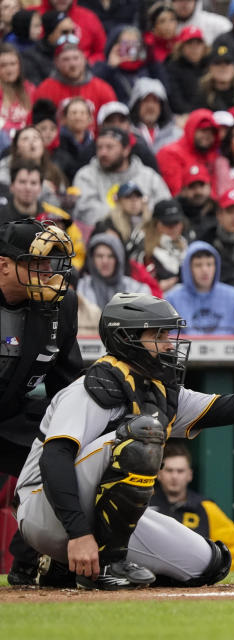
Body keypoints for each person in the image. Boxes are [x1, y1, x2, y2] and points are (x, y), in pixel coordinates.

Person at [14, 290, 234, 588]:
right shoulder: (94, 386)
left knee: (209, 565)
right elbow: (54, 458)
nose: (169, 344)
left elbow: (233, 407)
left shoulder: (157, 389)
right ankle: (96, 563)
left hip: (93, 517)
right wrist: (78, 534)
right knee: (143, 431)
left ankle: (64, 570)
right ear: (127, 338)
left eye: (168, 334)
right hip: (46, 511)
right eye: (158, 335)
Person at [0, 219, 81, 586]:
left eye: (51, 264)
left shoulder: (63, 305)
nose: (48, 273)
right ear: (4, 265)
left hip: (14, 416)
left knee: (72, 456)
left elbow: (69, 385)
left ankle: (32, 563)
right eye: (36, 264)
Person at [149, 442, 234, 571]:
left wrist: (215, 573)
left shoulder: (205, 507)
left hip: (195, 578)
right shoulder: (145, 505)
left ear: (190, 475)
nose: (174, 476)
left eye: (180, 471)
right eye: (169, 470)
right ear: (159, 474)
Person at [73, 128, 172, 226]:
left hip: (147, 235)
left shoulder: (149, 176)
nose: (103, 153)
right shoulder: (85, 176)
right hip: (104, 235)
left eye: (109, 147)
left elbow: (165, 208)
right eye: (99, 147)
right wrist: (129, 216)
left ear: (126, 150)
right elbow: (86, 212)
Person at [164, 241, 234, 335]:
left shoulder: (233, 297)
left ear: (216, 267)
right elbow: (171, 340)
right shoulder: (172, 299)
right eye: (198, 265)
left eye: (209, 264)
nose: (205, 270)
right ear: (188, 269)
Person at [33, 35, 116, 115]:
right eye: (66, 59)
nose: (72, 64)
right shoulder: (45, 90)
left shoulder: (102, 89)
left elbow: (112, 123)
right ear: (56, 62)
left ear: (84, 59)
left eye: (76, 58)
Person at [128, 198, 193, 291]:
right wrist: (156, 287)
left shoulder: (186, 242)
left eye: (176, 222)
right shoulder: (142, 248)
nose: (173, 228)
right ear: (155, 223)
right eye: (168, 223)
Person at [155, 109, 220, 200]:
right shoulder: (170, 153)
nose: (207, 136)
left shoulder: (212, 156)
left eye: (211, 132)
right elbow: (176, 192)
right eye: (202, 130)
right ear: (191, 129)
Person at [164, 26, 209, 115]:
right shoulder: (172, 68)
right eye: (190, 43)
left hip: (208, 114)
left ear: (204, 47)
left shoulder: (209, 66)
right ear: (181, 47)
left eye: (198, 44)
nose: (194, 48)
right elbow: (175, 101)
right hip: (183, 116)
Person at [128, 77, 182, 153]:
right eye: (146, 100)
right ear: (136, 104)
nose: (150, 106)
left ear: (162, 106)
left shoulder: (176, 135)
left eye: (155, 101)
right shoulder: (127, 133)